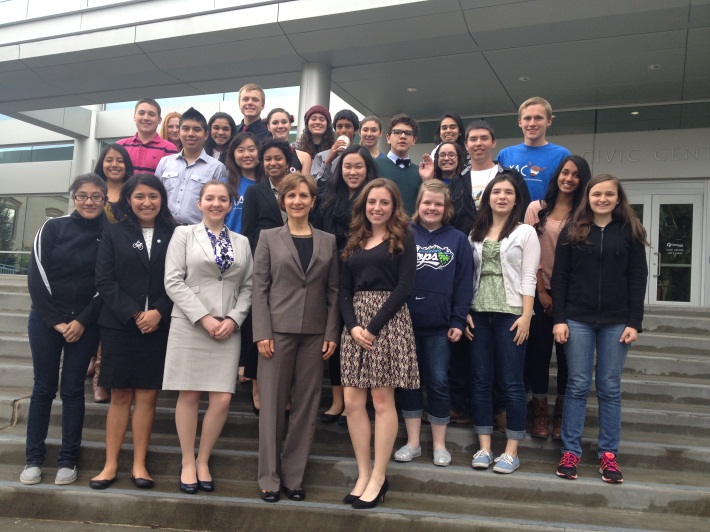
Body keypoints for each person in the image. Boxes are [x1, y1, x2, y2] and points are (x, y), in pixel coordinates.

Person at [552, 174, 648, 484]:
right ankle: (571, 452)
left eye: (609, 194)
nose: (602, 199)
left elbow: (637, 278)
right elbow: (560, 278)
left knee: (609, 387)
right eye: (597, 194)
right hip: (577, 319)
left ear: (618, 199)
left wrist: (635, 322)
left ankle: (609, 455)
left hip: (617, 321)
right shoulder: (573, 230)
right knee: (577, 385)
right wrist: (560, 319)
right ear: (588, 198)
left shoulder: (630, 232)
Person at [252, 173, 340, 503]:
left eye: (304, 195)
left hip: (315, 334)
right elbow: (259, 288)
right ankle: (269, 477)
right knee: (273, 407)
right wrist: (261, 331)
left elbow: (332, 290)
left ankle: (293, 477)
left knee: (306, 407)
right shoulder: (269, 237)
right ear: (283, 202)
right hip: (275, 333)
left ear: (313, 201)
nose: (298, 200)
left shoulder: (328, 240)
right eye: (291, 196)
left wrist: (332, 332)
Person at [163, 180, 253, 494]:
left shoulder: (241, 241)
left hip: (227, 327)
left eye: (223, 199)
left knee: (222, 398)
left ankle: (204, 459)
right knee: (188, 395)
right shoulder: (183, 234)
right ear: (200, 203)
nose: (216, 203)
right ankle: (188, 460)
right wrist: (203, 317)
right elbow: (173, 281)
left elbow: (248, 287)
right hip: (190, 324)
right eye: (210, 198)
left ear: (230, 204)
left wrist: (233, 318)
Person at [90, 174, 176, 490]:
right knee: (120, 395)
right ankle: (110, 463)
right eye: (139, 196)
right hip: (119, 325)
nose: (146, 202)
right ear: (129, 199)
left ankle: (140, 464)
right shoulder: (114, 233)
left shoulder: (175, 233)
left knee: (148, 396)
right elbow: (104, 281)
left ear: (162, 199)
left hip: (159, 325)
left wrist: (159, 312)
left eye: (153, 196)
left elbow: (183, 279)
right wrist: (135, 313)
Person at [20, 173, 106, 486]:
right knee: (43, 388)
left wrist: (82, 320)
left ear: (105, 200)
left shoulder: (109, 233)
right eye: (83, 195)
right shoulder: (53, 227)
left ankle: (68, 459)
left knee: (72, 390)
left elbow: (105, 282)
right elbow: (37, 274)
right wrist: (55, 320)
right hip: (46, 321)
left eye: (97, 196)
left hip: (85, 323)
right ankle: (33, 459)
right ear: (73, 197)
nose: (89, 201)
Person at [339, 178, 418, 509]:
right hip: (355, 325)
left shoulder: (403, 239)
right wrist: (353, 326)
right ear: (364, 205)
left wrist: (372, 327)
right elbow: (343, 289)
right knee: (352, 401)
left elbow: (404, 287)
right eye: (372, 202)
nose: (377, 207)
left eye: (384, 202)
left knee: (382, 400)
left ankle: (379, 476)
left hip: (387, 322)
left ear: (393, 206)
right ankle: (363, 473)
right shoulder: (354, 241)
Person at [394, 180, 472, 467]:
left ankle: (439, 444)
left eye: (438, 204)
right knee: (410, 383)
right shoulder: (403, 234)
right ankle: (413, 443)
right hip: (404, 323)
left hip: (440, 326)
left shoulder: (458, 240)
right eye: (427, 202)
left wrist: (458, 319)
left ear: (447, 207)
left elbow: (464, 285)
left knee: (439, 382)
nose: (432, 208)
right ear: (418, 205)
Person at [466, 173, 540, 474]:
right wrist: (465, 311)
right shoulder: (475, 231)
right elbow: (468, 275)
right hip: (479, 313)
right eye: (496, 192)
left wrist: (526, 315)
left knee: (512, 383)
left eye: (508, 192)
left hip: (511, 315)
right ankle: (484, 447)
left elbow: (528, 276)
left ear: (516, 199)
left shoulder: (525, 233)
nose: (502, 197)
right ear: (488, 198)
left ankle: (511, 450)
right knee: (481, 381)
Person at [524, 155, 591, 440]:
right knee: (538, 355)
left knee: (568, 358)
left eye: (576, 174)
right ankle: (539, 410)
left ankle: (561, 414)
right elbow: (528, 252)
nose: (569, 178)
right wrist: (540, 290)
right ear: (557, 176)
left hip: (573, 295)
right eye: (565, 172)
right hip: (537, 292)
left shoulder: (586, 214)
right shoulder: (535, 209)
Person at [312, 144, 378, 426]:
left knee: (360, 336)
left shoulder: (374, 199)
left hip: (362, 273)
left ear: (367, 170)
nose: (353, 172)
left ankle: (369, 398)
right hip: (330, 271)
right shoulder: (328, 196)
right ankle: (338, 400)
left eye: (358, 166)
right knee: (334, 334)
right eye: (348, 166)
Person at [240, 138, 291, 415]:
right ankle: (257, 385)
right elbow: (248, 232)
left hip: (295, 269)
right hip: (265, 267)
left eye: (278, 158)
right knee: (257, 325)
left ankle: (283, 388)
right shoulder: (255, 192)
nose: (273, 163)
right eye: (268, 159)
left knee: (286, 329)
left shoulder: (299, 188)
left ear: (287, 160)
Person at [90, 143, 136, 403]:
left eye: (120, 160)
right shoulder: (95, 189)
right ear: (101, 163)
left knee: (109, 319)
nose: (115, 164)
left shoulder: (132, 190)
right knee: (95, 316)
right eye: (109, 159)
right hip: (94, 258)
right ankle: (95, 366)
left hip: (124, 264)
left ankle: (100, 377)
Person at [155, 107, 227, 225]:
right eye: (186, 129)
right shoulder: (165, 163)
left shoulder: (217, 168)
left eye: (197, 129)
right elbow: (156, 195)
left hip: (197, 231)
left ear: (206, 135)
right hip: (165, 228)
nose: (191, 134)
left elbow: (219, 205)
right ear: (179, 133)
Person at [497, 97, 571, 202]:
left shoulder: (562, 155)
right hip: (512, 217)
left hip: (546, 216)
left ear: (549, 121)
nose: (532, 123)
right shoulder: (505, 154)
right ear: (519, 122)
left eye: (538, 118)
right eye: (527, 118)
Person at [374, 114, 421, 215]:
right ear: (388, 138)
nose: (403, 136)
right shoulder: (374, 165)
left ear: (414, 140)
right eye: (397, 132)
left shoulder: (420, 172)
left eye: (408, 133)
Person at [117, 98, 178, 174]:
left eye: (151, 114)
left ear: (159, 120)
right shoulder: (120, 146)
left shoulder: (169, 149)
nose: (145, 118)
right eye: (141, 113)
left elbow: (171, 183)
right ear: (134, 117)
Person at [224, 132, 263, 235]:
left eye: (251, 150)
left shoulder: (268, 184)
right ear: (233, 154)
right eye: (241, 150)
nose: (247, 155)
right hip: (230, 244)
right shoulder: (224, 185)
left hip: (259, 246)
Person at [310, 109, 360, 185]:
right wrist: (328, 161)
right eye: (339, 126)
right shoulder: (321, 156)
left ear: (355, 130)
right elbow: (315, 186)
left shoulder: (363, 155)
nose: (343, 130)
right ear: (335, 130)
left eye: (348, 126)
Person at [265, 107, 312, 174]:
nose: (280, 126)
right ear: (268, 127)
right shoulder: (262, 156)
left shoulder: (304, 157)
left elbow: (305, 184)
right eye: (275, 123)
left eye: (284, 122)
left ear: (290, 125)